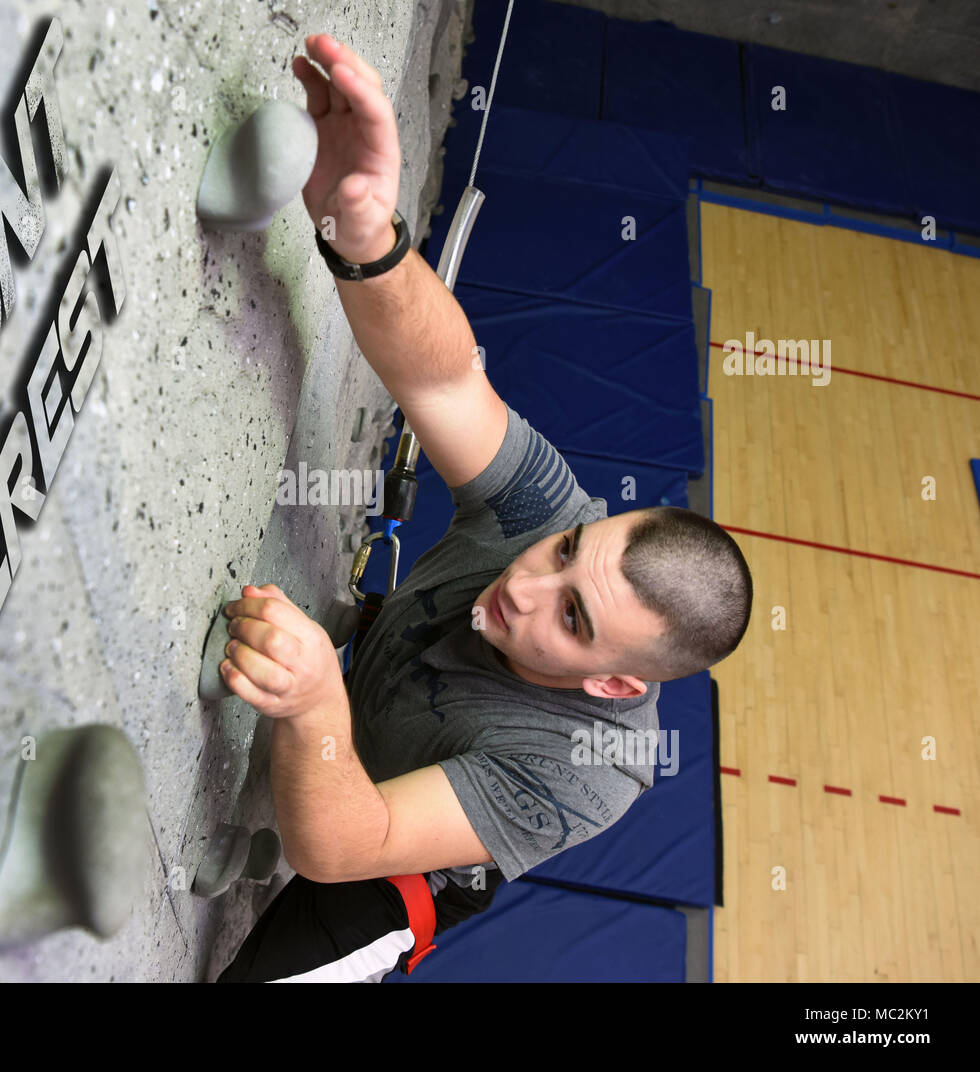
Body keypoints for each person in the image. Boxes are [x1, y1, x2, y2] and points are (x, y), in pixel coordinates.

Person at [214, 33, 752, 982]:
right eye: (565, 555)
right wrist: (364, 232)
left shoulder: (583, 768)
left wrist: (314, 707)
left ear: (618, 686)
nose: (529, 584)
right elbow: (444, 379)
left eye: (574, 619)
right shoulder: (547, 518)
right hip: (374, 700)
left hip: (398, 853)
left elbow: (347, 842)